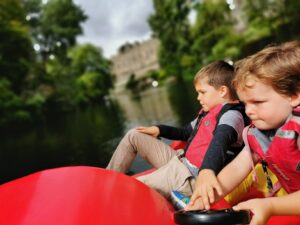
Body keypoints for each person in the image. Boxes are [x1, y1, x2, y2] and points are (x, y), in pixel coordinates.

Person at [186, 41, 300, 225]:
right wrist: (208, 195)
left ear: (294, 95)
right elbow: (238, 167)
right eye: (245, 103)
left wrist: (271, 207)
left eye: (258, 102)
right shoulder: (259, 132)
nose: (248, 111)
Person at [106, 60, 249, 200]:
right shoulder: (208, 111)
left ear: (222, 91)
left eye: (202, 92)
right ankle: (106, 181)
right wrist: (159, 129)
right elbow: (186, 132)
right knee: (134, 135)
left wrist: (207, 170)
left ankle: (107, 195)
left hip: (190, 177)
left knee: (132, 187)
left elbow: (221, 139)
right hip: (180, 160)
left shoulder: (232, 115)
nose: (198, 97)